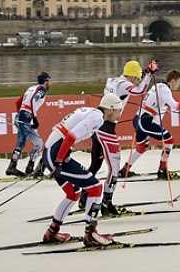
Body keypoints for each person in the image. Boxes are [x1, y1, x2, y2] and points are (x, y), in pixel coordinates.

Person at [42, 93, 123, 247]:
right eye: (119, 110)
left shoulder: (91, 111)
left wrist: (51, 158)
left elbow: (61, 132)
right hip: (56, 154)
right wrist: (59, 161)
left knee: (73, 194)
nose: (120, 114)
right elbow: (70, 136)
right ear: (111, 109)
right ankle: (90, 234)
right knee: (95, 188)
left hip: (51, 151)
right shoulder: (97, 117)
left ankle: (52, 232)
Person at [80, 59, 158, 216]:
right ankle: (106, 203)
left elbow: (132, 86)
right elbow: (139, 92)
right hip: (107, 129)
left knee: (95, 165)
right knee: (114, 169)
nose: (137, 82)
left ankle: (83, 198)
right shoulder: (124, 84)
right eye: (136, 79)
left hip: (99, 125)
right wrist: (148, 75)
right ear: (132, 76)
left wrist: (143, 73)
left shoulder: (114, 80)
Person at [120, 70, 180, 180]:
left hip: (138, 119)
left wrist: (179, 112)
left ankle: (124, 170)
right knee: (169, 140)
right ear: (173, 81)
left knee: (142, 147)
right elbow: (174, 105)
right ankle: (162, 170)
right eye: (179, 82)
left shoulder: (160, 87)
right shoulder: (164, 89)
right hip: (145, 121)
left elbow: (162, 105)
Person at [6, 72, 51, 177]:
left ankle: (16, 167)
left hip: (21, 117)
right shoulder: (42, 90)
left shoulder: (31, 88)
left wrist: (20, 114)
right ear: (46, 81)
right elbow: (32, 101)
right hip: (26, 118)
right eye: (49, 81)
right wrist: (34, 118)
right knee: (37, 143)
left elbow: (18, 102)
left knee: (25, 142)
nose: (50, 84)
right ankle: (27, 168)